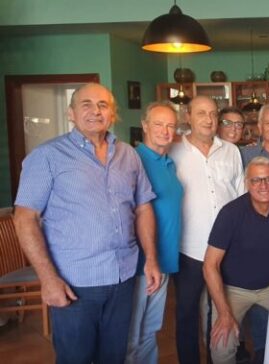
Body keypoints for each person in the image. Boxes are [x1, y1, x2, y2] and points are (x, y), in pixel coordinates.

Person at [13, 83, 160, 363]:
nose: (96, 111)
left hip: (123, 276)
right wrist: (48, 279)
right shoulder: (47, 157)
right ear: (71, 113)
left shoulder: (128, 154)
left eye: (103, 105)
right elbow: (25, 219)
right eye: (86, 104)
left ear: (113, 113)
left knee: (114, 357)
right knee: (75, 358)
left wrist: (151, 258)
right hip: (75, 282)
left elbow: (143, 207)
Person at [203, 157, 269, 364]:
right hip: (234, 288)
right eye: (256, 180)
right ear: (246, 183)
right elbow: (210, 265)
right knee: (221, 345)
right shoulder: (230, 213)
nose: (263, 186)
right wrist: (224, 314)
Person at [169, 95, 246, 364]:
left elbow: (240, 198)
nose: (209, 119)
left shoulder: (231, 151)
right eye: (201, 113)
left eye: (213, 114)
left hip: (226, 250)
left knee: (221, 311)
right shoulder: (173, 150)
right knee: (187, 314)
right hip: (189, 248)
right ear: (188, 116)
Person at [126, 101, 184, 364]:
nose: (165, 130)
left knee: (150, 330)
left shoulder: (169, 162)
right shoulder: (133, 160)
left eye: (171, 125)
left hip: (165, 259)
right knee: (131, 334)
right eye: (159, 124)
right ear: (145, 125)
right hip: (141, 263)